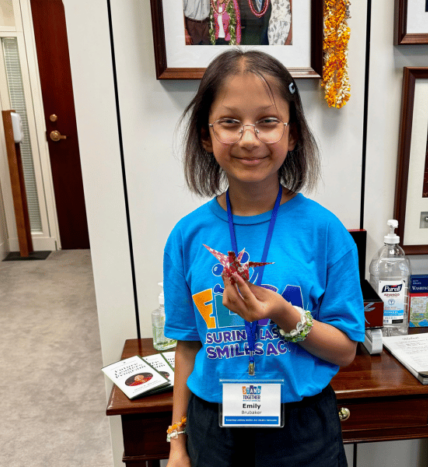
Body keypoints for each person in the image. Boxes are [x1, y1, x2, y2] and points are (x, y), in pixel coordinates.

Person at [163, 50, 364, 467]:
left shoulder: (326, 233)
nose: (249, 138)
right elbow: (186, 346)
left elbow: (346, 350)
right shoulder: (186, 237)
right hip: (213, 427)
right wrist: (177, 443)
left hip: (303, 429)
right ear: (206, 135)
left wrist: (283, 314)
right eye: (230, 122)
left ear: (292, 136)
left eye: (268, 121)